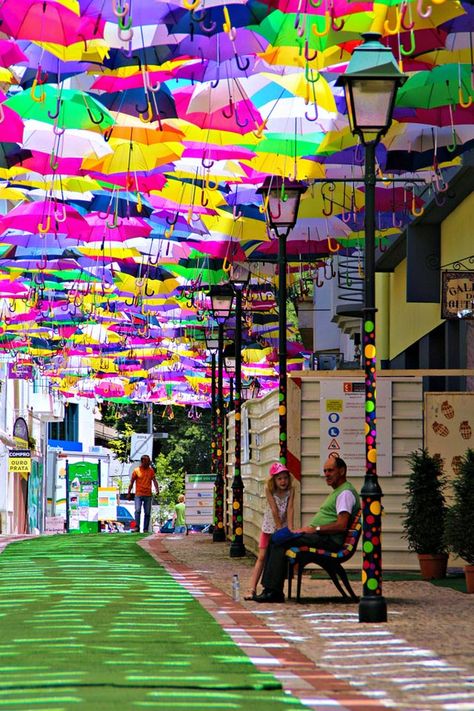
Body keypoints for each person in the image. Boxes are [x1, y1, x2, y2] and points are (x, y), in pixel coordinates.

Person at [254, 455, 360, 603]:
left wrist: (314, 529)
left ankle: (273, 591)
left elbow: (341, 526)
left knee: (279, 539)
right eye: (325, 471)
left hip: (328, 540)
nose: (327, 474)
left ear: (342, 471)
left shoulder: (345, 493)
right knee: (278, 538)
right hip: (321, 536)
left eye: (331, 470)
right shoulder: (339, 491)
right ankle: (271, 590)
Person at [244, 462, 294, 601]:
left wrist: (289, 529)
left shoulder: (291, 490)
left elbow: (290, 509)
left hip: (283, 526)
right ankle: (251, 588)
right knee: (262, 557)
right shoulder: (269, 490)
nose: (283, 481)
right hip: (270, 526)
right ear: (274, 480)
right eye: (279, 478)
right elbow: (274, 509)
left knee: (279, 557)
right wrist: (278, 528)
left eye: (285, 478)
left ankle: (277, 589)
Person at [127, 455, 159, 532]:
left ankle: (145, 529)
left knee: (147, 513)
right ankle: (137, 527)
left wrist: (157, 489)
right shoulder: (136, 470)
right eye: (146, 461)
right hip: (138, 494)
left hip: (148, 494)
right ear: (142, 462)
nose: (148, 463)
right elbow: (131, 482)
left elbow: (154, 480)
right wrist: (129, 493)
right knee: (137, 510)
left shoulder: (151, 470)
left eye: (149, 461)